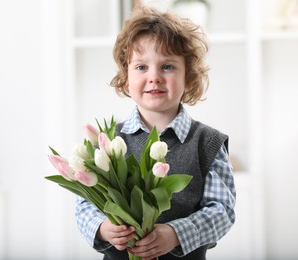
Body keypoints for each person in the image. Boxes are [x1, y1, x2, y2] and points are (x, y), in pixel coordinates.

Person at [75, 6, 236, 260]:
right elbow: (85, 205)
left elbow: (222, 211)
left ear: (189, 78)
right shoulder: (107, 140)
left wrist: (175, 233)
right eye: (141, 67)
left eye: (168, 67)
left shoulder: (207, 143)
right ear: (126, 79)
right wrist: (103, 229)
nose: (154, 77)